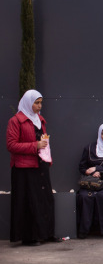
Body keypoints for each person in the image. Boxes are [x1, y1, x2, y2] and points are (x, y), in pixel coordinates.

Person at [6, 90, 60, 246]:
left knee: (45, 199)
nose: (39, 106)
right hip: (24, 169)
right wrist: (35, 146)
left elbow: (42, 141)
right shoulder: (16, 121)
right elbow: (11, 145)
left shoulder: (40, 120)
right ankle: (29, 237)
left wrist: (46, 155)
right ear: (28, 102)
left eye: (41, 102)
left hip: (40, 165)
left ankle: (47, 233)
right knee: (29, 201)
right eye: (36, 102)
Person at [76, 123, 103, 239]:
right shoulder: (89, 148)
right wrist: (89, 172)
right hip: (90, 182)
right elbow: (81, 167)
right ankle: (84, 230)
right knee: (85, 197)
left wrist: (98, 170)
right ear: (99, 134)